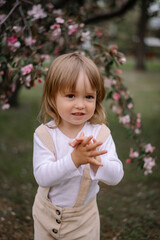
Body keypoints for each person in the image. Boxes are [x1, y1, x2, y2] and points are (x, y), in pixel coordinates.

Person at [32, 52, 124, 240]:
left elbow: (116, 176)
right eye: (71, 95)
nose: (80, 105)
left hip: (84, 221)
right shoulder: (44, 134)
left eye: (89, 97)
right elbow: (42, 177)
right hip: (46, 217)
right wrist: (74, 160)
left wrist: (95, 160)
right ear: (52, 96)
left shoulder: (100, 134)